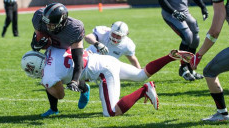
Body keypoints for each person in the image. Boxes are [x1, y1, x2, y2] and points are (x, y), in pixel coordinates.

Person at [21, 48, 194, 117]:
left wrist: (47, 85)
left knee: (111, 112)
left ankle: (144, 91)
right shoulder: (52, 49)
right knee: (141, 74)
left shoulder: (47, 75)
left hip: (103, 71)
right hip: (105, 60)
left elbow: (61, 95)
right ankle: (170, 57)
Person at [153, 0, 208, 81]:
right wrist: (174, 12)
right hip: (170, 12)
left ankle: (190, 68)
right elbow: (162, 0)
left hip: (184, 11)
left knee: (195, 37)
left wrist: (203, 7)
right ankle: (183, 68)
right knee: (187, 37)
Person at [30, 2, 90, 117]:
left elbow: (78, 60)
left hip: (66, 48)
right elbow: (36, 42)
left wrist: (75, 80)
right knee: (48, 75)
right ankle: (53, 108)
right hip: (52, 47)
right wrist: (36, 45)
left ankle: (83, 88)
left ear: (62, 22)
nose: (47, 27)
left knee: (67, 75)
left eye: (51, 24)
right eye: (46, 23)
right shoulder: (39, 18)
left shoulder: (74, 28)